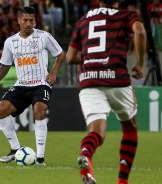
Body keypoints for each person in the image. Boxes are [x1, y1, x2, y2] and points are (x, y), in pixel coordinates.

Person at [66, 0, 146, 183]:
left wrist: (91, 57)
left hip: (89, 81)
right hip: (117, 79)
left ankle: (86, 155)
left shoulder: (82, 20)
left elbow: (70, 58)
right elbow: (140, 32)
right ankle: (122, 181)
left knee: (97, 133)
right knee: (130, 127)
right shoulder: (126, 15)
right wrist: (140, 64)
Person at [0, 6, 65, 165]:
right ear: (18, 20)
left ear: (35, 20)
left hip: (41, 83)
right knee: (0, 111)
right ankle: (15, 149)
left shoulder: (44, 37)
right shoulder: (11, 42)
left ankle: (40, 158)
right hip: (21, 85)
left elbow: (60, 54)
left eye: (31, 20)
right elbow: (4, 66)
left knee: (39, 111)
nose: (29, 23)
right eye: (25, 20)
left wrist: (53, 72)